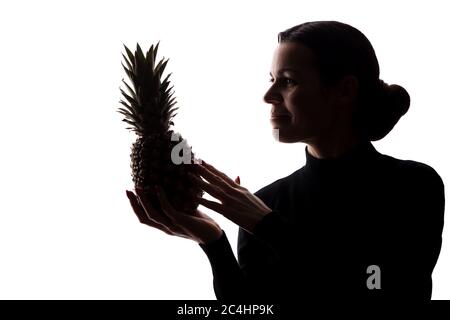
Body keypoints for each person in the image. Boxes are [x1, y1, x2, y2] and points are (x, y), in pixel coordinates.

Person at [125, 21, 445, 301]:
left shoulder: (412, 185)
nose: (268, 96)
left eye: (288, 80)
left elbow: (381, 285)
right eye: (271, 79)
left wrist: (270, 227)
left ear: (345, 90)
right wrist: (213, 240)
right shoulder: (266, 201)